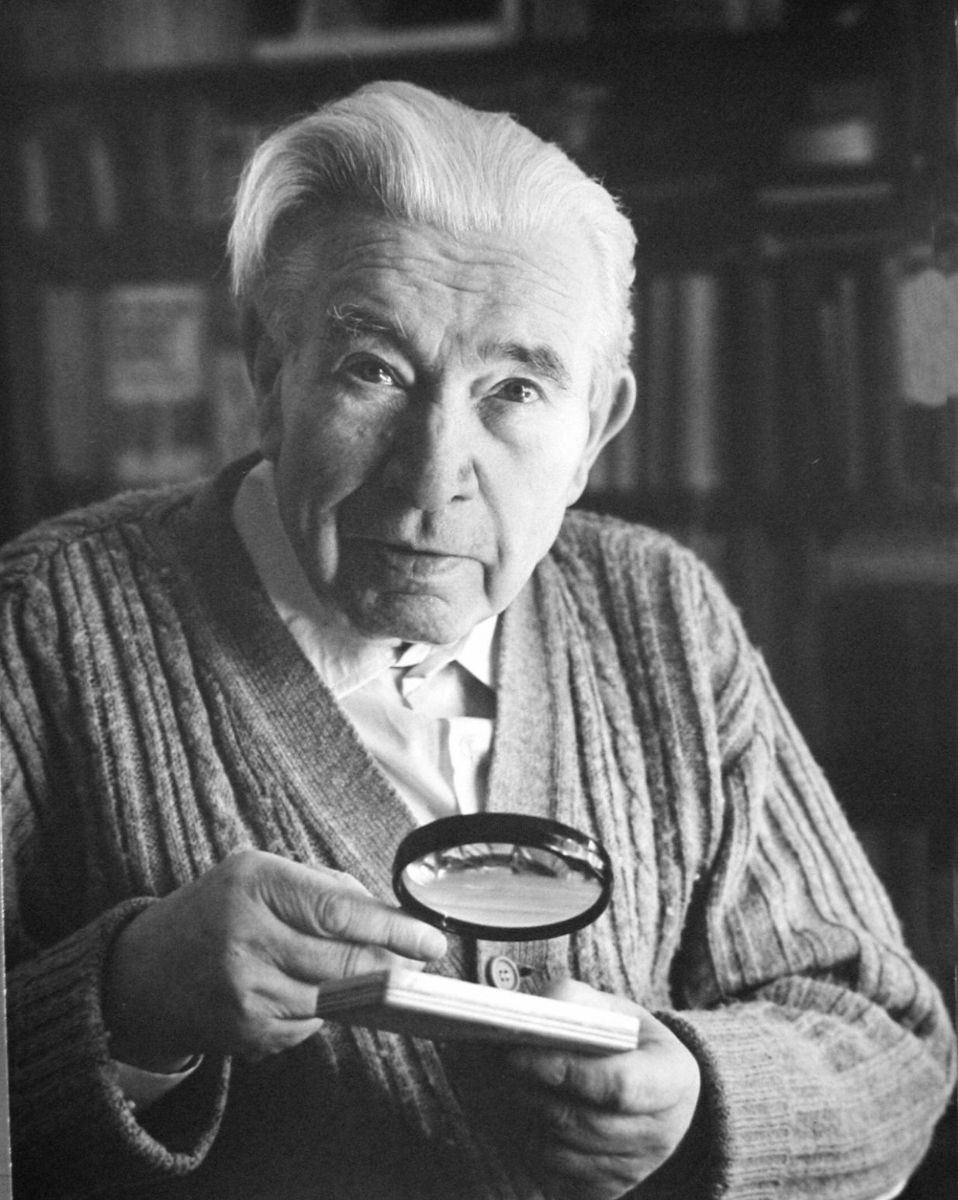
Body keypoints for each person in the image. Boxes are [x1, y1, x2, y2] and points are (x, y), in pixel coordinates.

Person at [2, 80, 954, 1200]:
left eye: (514, 390)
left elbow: (889, 1042)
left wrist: (700, 1100)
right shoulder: (48, 619)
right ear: (268, 373)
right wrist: (126, 1003)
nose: (432, 481)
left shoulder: (661, 614)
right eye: (372, 370)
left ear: (595, 430)